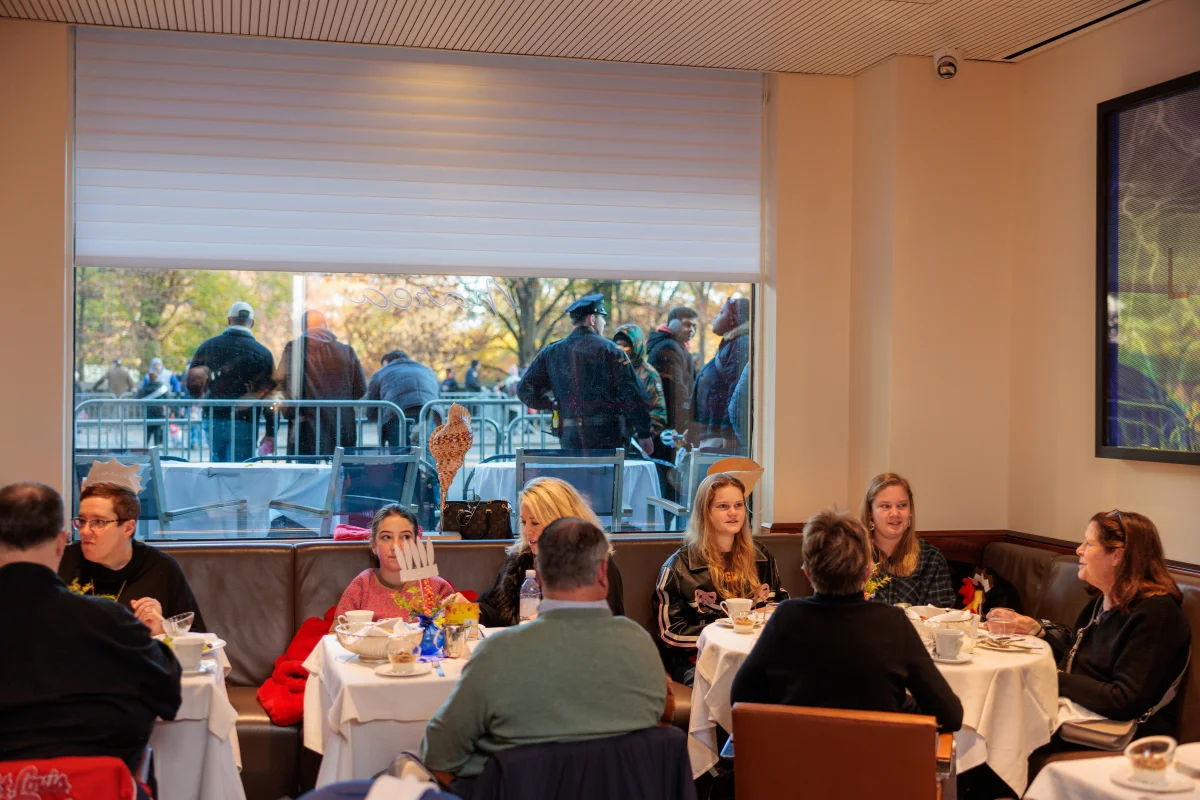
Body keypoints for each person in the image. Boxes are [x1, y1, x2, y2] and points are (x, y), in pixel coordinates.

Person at [420, 517, 667, 797]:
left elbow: (439, 755)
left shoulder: (498, 652)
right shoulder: (641, 646)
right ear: (603, 573)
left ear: (537, 572)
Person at [0, 482, 181, 773]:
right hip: (93, 785)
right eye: (82, 522)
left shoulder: (154, 573)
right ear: (62, 542)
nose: (86, 531)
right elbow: (169, 696)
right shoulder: (112, 622)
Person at [730, 509, 963, 731]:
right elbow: (950, 715)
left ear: (808, 573)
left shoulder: (786, 617)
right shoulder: (893, 623)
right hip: (876, 767)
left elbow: (740, 696)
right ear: (868, 572)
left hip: (797, 765)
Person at [991, 510, 1190, 743]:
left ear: (1117, 556)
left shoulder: (1156, 614)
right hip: (1081, 714)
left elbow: (1124, 700)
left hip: (1126, 735)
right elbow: (1081, 654)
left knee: (999, 735)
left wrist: (1050, 677)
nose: (1079, 550)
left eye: (1089, 543)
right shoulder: (1103, 600)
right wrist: (1038, 631)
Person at [654, 472, 788, 685]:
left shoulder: (761, 557)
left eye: (738, 505)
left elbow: (779, 606)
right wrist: (730, 629)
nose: (733, 513)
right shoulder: (679, 566)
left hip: (754, 656)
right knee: (738, 687)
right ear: (705, 512)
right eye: (723, 506)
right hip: (698, 660)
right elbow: (671, 634)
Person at [58, 481, 206, 635]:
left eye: (99, 522)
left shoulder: (161, 567)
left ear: (128, 528)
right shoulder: (62, 561)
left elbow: (197, 638)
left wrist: (161, 630)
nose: (85, 531)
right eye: (82, 521)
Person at [477, 477, 624, 627]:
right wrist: (467, 609)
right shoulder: (522, 558)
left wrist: (549, 624)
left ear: (559, 521)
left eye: (535, 523)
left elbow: (607, 627)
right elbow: (494, 610)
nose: (527, 531)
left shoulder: (594, 564)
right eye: (523, 522)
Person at [517, 294, 653, 453]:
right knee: (608, 477)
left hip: (570, 436)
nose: (603, 324)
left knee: (574, 477)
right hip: (607, 436)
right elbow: (634, 394)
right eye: (603, 319)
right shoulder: (611, 350)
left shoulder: (551, 352)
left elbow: (525, 390)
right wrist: (644, 432)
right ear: (592, 319)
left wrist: (552, 404)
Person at [332, 505, 466, 626]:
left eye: (405, 537)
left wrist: (464, 614)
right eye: (386, 537)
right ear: (374, 545)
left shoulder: (436, 588)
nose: (396, 546)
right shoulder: (363, 583)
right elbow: (335, 633)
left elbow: (459, 637)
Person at [188, 301, 276, 462]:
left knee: (217, 471)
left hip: (213, 417)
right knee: (240, 473)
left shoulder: (208, 347)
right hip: (245, 419)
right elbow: (270, 396)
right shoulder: (263, 354)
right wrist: (271, 431)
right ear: (252, 323)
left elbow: (193, 386)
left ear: (229, 320)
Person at [275, 310, 368, 456]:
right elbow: (361, 389)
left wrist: (291, 412)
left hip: (305, 423)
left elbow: (281, 384)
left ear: (302, 328)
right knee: (340, 471)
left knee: (307, 473)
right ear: (325, 326)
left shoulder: (294, 349)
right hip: (341, 422)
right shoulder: (346, 351)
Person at [859, 473, 956, 608]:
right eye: (885, 506)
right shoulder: (851, 556)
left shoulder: (931, 558)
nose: (895, 513)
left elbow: (942, 616)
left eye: (902, 505)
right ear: (870, 513)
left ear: (910, 510)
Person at [693, 297, 751, 449]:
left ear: (734, 319)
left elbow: (736, 393)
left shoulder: (741, 343)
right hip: (714, 434)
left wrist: (727, 435)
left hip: (723, 440)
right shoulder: (731, 343)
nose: (716, 317)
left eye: (721, 312)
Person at [363, 350, 440, 447]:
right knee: (427, 452)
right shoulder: (427, 370)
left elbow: (372, 403)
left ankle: (401, 461)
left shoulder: (381, 372)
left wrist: (373, 419)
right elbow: (438, 394)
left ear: (389, 361)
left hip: (397, 414)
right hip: (429, 413)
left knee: (400, 452)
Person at [613, 323, 668, 443]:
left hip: (639, 441)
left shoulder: (649, 374)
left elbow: (658, 411)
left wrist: (645, 434)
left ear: (635, 346)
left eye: (626, 346)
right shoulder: (613, 370)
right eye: (618, 346)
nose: (622, 351)